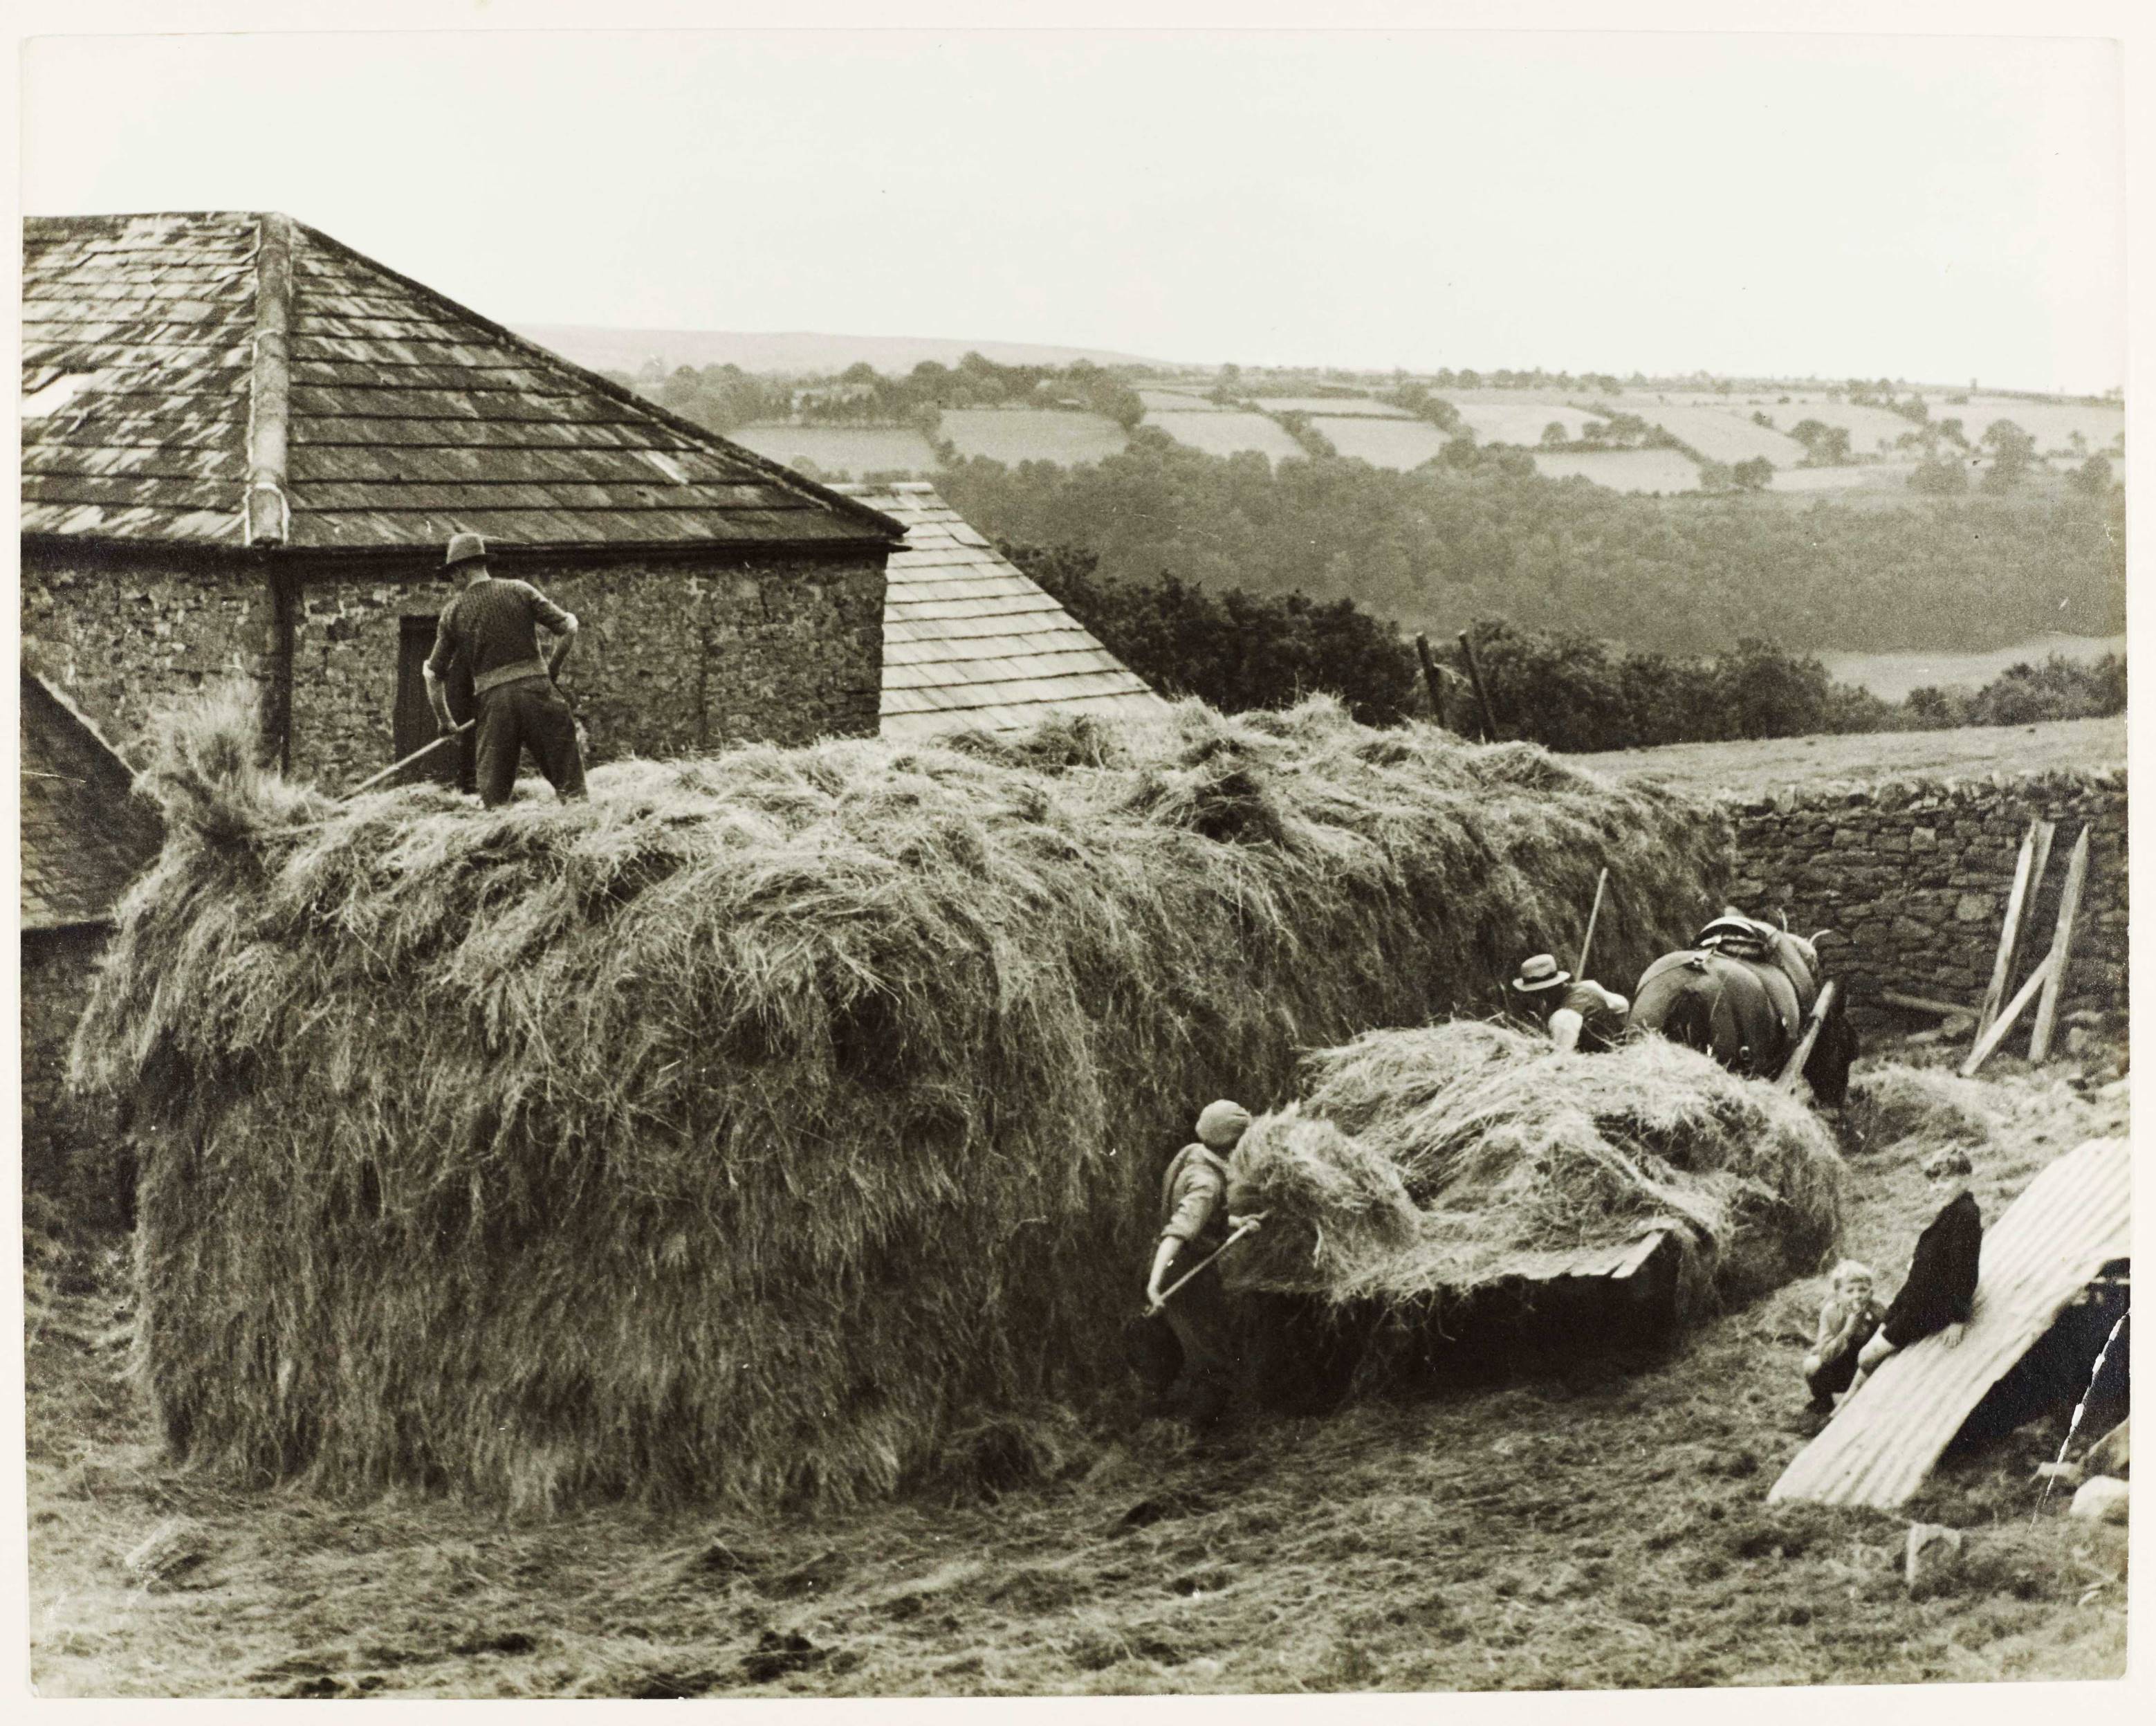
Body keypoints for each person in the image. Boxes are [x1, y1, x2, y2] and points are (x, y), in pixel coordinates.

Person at [424, 533, 587, 809]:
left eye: (452, 575)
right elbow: (569, 627)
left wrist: (445, 721)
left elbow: (432, 675)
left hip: (495, 706)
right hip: (539, 693)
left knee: (495, 800)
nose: (453, 582)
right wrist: (551, 671)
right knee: (571, 789)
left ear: (462, 571)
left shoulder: (453, 613)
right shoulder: (519, 590)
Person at [1143, 1099, 1262, 1428]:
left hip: (1171, 1264)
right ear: (1233, 1145)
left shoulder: (1193, 1154)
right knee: (1213, 1358)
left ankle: (1161, 1406)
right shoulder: (1208, 1184)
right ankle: (1200, 1438)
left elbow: (1197, 1217)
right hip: (1186, 1273)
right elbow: (1180, 1231)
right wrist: (1155, 1285)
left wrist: (1236, 1223)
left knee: (1183, 1342)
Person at [1842, 1149, 1982, 1404]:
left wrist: (1958, 1318)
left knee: (1867, 1356)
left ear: (1966, 1177)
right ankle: (1843, 1406)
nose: (1936, 1188)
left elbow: (1965, 1269)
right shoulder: (1951, 1210)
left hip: (1927, 1307)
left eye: (1945, 1180)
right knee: (1867, 1352)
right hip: (1911, 1296)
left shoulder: (1966, 1215)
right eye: (1934, 1181)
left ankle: (1859, 1404)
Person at [1803, 1259, 1886, 1413]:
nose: (1857, 1296)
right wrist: (1848, 1330)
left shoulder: (1878, 1309)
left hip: (1868, 1366)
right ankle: (1823, 1402)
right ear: (1837, 1295)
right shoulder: (1831, 1313)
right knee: (1811, 1364)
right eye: (1850, 1291)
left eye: (1863, 1290)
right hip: (1841, 1366)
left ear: (1871, 1292)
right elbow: (1825, 1355)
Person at [1512, 953, 1630, 1053]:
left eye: (1533, 993)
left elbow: (1562, 1056)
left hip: (1597, 1061)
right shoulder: (1588, 986)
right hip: (1617, 1047)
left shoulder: (1563, 1017)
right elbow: (1623, 1004)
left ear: (1541, 993)